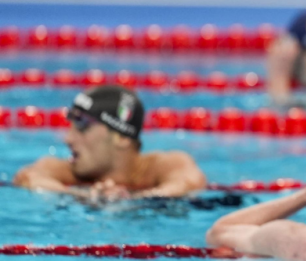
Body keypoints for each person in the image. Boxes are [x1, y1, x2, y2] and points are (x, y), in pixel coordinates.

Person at [14, 85, 205, 200]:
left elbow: (188, 183)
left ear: (121, 137)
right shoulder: (67, 172)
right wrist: (84, 197)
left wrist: (128, 201)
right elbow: (28, 177)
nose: (68, 138)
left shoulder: (162, 167)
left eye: (82, 126)